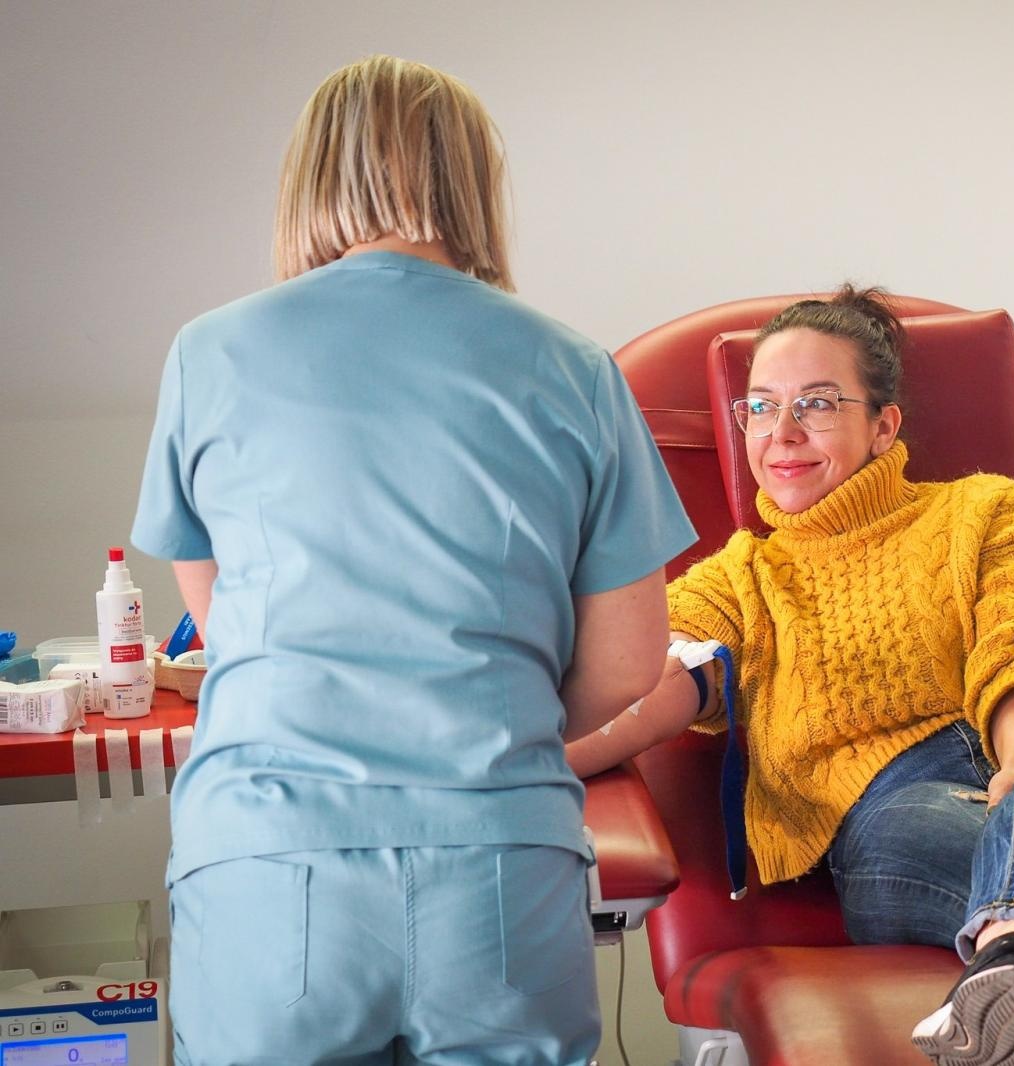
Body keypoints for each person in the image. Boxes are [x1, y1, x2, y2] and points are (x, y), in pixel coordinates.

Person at [565, 286, 1014, 1066]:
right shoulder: (739, 582)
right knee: (952, 840)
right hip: (901, 830)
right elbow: (638, 688)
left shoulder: (984, 511)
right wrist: (520, 756)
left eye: (816, 403)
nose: (781, 432)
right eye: (760, 406)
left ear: (883, 425)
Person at [132, 56, 696, 1065]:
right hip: (498, 867)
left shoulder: (208, 353)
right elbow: (627, 661)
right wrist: (492, 720)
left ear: (309, 177)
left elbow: (224, 622)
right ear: (473, 179)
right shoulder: (574, 367)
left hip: (271, 861)